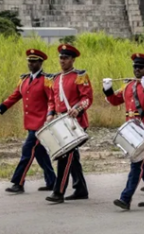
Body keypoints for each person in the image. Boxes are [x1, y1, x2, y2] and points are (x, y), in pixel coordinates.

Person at [0, 49, 56, 194]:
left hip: (41, 124)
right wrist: (0, 108)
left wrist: (50, 115)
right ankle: (52, 181)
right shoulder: (24, 80)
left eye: (34, 61)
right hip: (30, 123)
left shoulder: (46, 80)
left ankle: (18, 183)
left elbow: (52, 100)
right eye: (29, 61)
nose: (31, 64)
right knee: (39, 153)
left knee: (27, 151)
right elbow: (14, 96)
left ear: (40, 63)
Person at [104, 53, 144, 210]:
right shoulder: (128, 85)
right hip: (132, 130)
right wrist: (108, 90)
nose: (137, 69)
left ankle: (125, 198)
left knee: (137, 163)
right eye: (135, 67)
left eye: (141, 67)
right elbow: (115, 101)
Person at [45, 44, 92, 204]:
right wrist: (50, 114)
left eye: (66, 58)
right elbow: (51, 100)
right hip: (60, 122)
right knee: (72, 157)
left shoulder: (80, 76)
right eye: (61, 58)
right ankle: (80, 189)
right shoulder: (56, 78)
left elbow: (87, 98)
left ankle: (58, 192)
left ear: (73, 60)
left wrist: (77, 109)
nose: (62, 60)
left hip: (75, 122)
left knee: (65, 156)